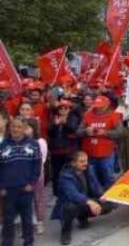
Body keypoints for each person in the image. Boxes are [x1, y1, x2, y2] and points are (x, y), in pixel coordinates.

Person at [52, 151, 115, 245]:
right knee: (70, 207)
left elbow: (95, 186)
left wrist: (102, 196)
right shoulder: (65, 176)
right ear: (73, 163)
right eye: (81, 161)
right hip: (70, 204)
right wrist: (90, 202)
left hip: (85, 200)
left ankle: (82, 217)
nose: (85, 163)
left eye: (86, 160)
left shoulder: (89, 169)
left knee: (110, 204)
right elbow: (73, 195)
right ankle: (65, 232)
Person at [0, 118, 41, 246]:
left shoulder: (33, 144)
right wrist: (1, 186)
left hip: (26, 188)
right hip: (8, 188)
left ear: (24, 128)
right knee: (8, 218)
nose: (15, 129)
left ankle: (28, 241)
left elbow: (37, 165)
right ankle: (7, 242)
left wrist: (32, 183)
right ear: (9, 128)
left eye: (19, 127)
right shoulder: (3, 145)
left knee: (27, 218)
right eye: (13, 127)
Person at [77, 95, 123, 189]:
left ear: (107, 106)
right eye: (96, 106)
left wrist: (105, 133)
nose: (98, 109)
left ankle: (108, 197)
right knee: (92, 177)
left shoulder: (114, 116)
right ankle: (95, 196)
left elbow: (120, 133)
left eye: (101, 106)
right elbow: (78, 132)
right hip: (90, 153)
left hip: (106, 153)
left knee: (108, 177)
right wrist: (86, 131)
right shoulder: (87, 115)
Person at [49, 99, 82, 195]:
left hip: (69, 150)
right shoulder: (54, 118)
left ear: (69, 109)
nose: (63, 110)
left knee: (69, 171)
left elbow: (73, 130)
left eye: (65, 108)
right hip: (56, 150)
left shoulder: (73, 118)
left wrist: (64, 123)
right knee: (56, 172)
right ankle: (57, 191)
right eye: (61, 108)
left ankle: (71, 190)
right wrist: (55, 125)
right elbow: (50, 133)